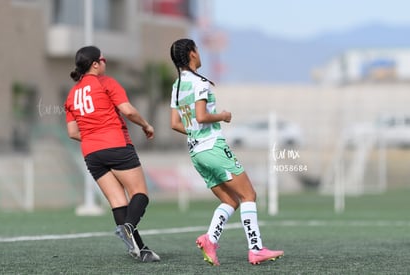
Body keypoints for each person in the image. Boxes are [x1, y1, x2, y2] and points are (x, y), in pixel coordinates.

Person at [169, 38, 284, 266]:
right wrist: (222, 116)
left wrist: (195, 133)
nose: (200, 54)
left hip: (196, 153)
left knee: (230, 200)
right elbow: (201, 117)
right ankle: (256, 249)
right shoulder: (200, 83)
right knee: (248, 196)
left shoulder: (177, 85)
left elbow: (174, 123)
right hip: (213, 147)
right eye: (198, 50)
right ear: (192, 53)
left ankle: (210, 239)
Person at [64, 45, 160, 262]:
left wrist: (92, 137)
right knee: (140, 194)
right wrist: (146, 125)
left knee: (118, 202)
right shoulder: (106, 82)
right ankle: (128, 228)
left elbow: (72, 132)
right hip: (115, 144)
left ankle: (140, 249)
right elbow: (127, 110)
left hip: (90, 152)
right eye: (103, 59)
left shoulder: (72, 94)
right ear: (95, 64)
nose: (105, 62)